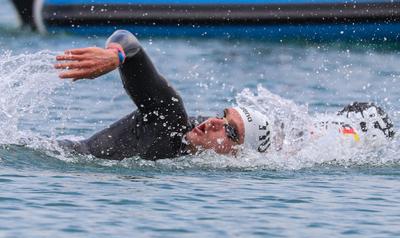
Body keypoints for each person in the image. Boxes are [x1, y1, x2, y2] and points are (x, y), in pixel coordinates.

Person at [55, 30, 395, 161]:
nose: (213, 122)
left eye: (229, 130)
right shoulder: (170, 119)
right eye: (224, 115)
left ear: (235, 153)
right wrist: (115, 54)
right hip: (61, 161)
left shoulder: (195, 160)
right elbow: (129, 40)